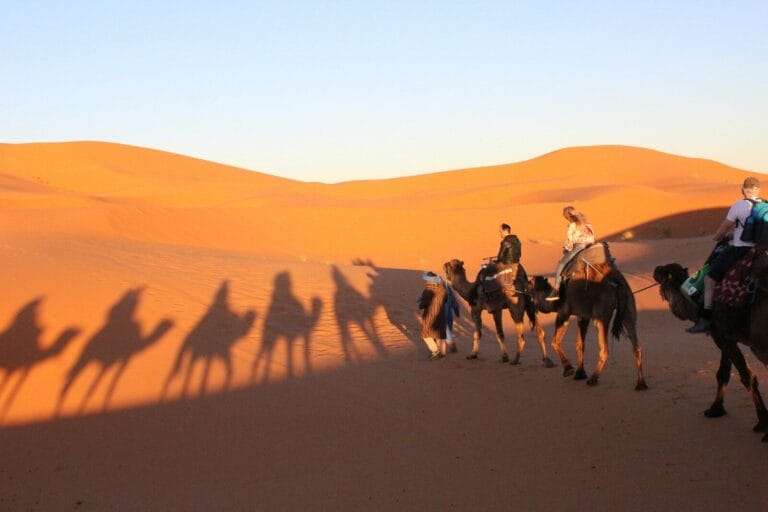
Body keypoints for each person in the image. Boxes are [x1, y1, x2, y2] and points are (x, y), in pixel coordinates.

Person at [687, 177, 762, 333]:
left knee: (709, 279)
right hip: (760, 250)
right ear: (758, 190)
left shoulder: (739, 205)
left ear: (743, 190)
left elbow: (724, 228)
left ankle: (705, 318)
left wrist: (718, 237)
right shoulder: (765, 205)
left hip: (740, 249)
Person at [546, 206, 595, 301]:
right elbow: (593, 236)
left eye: (565, 217)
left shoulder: (573, 225)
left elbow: (569, 242)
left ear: (568, 216)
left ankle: (556, 290)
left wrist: (566, 249)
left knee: (561, 264)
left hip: (579, 247)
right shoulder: (588, 222)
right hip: (592, 247)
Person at [418, 271, 447, 359]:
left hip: (430, 316)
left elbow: (422, 305)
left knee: (425, 334)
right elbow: (446, 300)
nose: (425, 281)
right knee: (439, 334)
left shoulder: (427, 290)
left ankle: (435, 350)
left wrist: (420, 301)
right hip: (441, 315)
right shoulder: (442, 289)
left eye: (426, 280)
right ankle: (442, 353)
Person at [443, 275, 460, 352]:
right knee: (447, 329)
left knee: (445, 330)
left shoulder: (435, 290)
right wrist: (457, 311)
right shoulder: (448, 289)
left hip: (442, 314)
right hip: (449, 314)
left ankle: (451, 346)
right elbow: (455, 302)